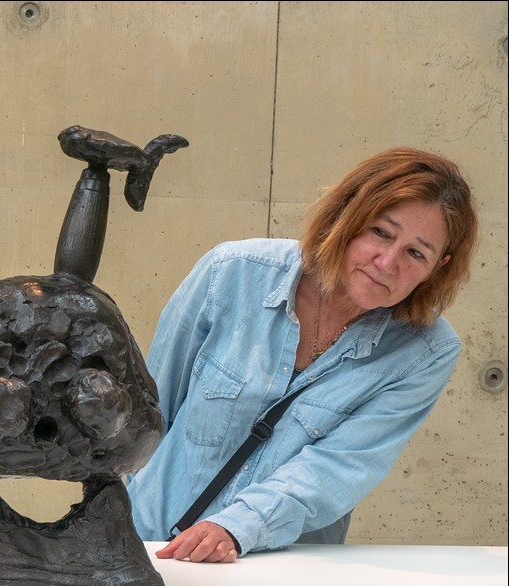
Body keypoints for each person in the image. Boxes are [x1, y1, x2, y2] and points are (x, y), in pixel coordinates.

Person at [127, 147, 477, 563]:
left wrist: (238, 527)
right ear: (346, 217)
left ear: (439, 266)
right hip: (149, 546)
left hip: (279, 573)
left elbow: (339, 467)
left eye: (416, 253)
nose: (387, 262)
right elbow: (148, 409)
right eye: (381, 232)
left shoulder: (425, 352)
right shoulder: (232, 273)